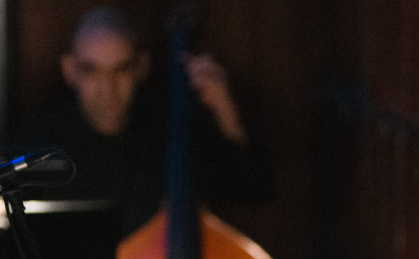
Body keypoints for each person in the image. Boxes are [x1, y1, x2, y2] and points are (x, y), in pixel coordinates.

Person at [18, 6, 272, 236]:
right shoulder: (38, 144)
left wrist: (225, 108)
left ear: (141, 67)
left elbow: (253, 189)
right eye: (91, 70)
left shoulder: (168, 131)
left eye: (121, 69)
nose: (107, 88)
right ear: (69, 69)